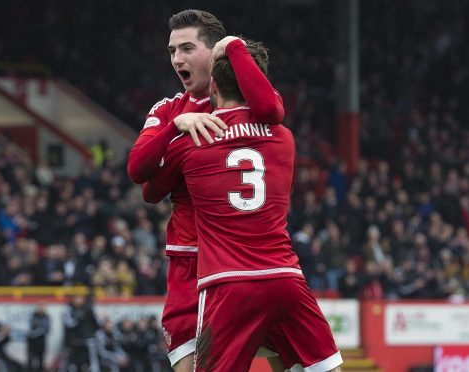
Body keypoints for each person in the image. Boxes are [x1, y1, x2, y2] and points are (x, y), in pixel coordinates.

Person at [143, 41, 342, 371]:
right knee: (325, 368)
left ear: (215, 85)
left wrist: (172, 128)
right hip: (284, 276)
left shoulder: (191, 142)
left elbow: (149, 187)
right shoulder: (284, 138)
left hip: (227, 282)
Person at [126, 9, 285, 372]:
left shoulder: (244, 98)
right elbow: (139, 172)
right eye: (171, 51)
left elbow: (273, 109)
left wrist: (236, 47)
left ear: (213, 54)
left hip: (243, 257)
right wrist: (177, 127)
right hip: (189, 259)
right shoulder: (169, 109)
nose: (177, 59)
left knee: (284, 361)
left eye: (186, 48)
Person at [61, 294, 100, 371]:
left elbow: (95, 324)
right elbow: (69, 324)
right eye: (77, 298)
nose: (79, 300)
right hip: (73, 341)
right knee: (71, 364)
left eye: (81, 298)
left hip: (87, 341)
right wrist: (76, 317)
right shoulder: (69, 309)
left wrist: (91, 335)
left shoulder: (88, 309)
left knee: (91, 362)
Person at [27, 303, 50, 371]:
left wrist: (36, 332)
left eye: (42, 307)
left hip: (41, 341)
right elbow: (30, 328)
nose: (41, 308)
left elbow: (46, 329)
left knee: (41, 360)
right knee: (30, 360)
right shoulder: (33, 315)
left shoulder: (46, 316)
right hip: (32, 342)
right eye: (40, 307)